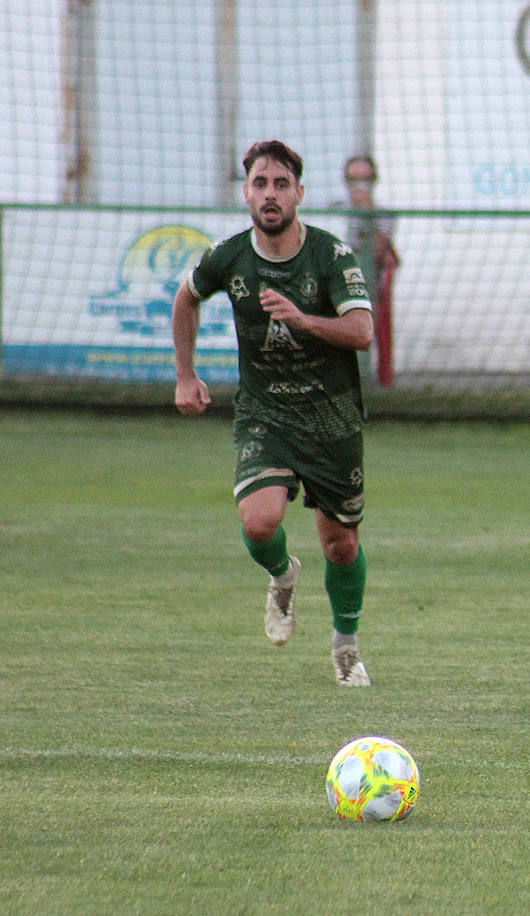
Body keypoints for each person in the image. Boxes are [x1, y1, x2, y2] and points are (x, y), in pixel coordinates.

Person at [172, 139, 376, 687]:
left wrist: (304, 318)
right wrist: (186, 375)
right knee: (260, 522)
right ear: (246, 193)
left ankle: (346, 645)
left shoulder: (332, 257)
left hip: (332, 419)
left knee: (342, 543)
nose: (270, 194)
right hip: (266, 413)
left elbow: (361, 332)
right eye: (260, 184)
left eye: (281, 184)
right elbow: (186, 297)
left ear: (299, 194)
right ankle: (283, 576)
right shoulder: (229, 256)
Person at [342, 154, 401, 388]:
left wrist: (368, 213)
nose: (359, 186)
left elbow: (378, 250)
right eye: (354, 179)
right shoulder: (335, 210)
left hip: (366, 287)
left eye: (365, 180)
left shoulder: (384, 215)